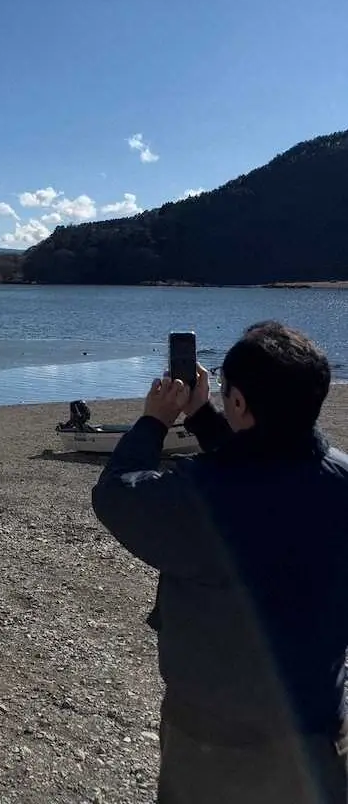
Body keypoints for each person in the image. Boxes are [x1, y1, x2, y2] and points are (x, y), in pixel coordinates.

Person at [91, 321, 348, 804]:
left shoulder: (201, 494)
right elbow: (264, 462)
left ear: (240, 403)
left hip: (211, 743)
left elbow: (117, 496)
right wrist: (203, 417)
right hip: (316, 733)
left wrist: (154, 422)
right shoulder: (339, 481)